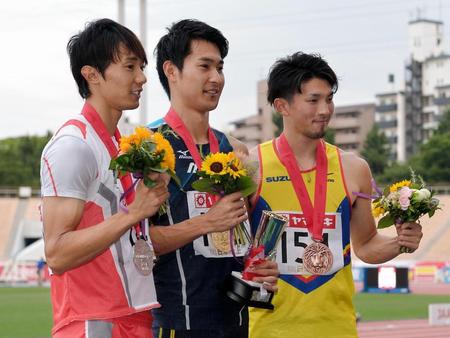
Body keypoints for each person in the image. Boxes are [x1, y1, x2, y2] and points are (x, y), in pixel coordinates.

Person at [248, 52, 423, 338]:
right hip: (267, 328)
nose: (325, 109)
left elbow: (365, 245)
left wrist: (399, 243)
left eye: (329, 99)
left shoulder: (354, 168)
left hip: (337, 328)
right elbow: (230, 249)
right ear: (282, 106)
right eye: (313, 100)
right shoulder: (252, 167)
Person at [147, 19, 279, 338]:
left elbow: (245, 236)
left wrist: (260, 265)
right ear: (172, 70)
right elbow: (136, 243)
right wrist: (207, 222)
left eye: (220, 67)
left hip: (235, 321)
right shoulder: (149, 148)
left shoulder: (235, 150)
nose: (216, 78)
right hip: (178, 322)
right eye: (204, 66)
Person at [40, 18, 170, 338]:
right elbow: (56, 254)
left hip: (132, 315)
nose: (141, 78)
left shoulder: (119, 145)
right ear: (92, 75)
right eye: (129, 67)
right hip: (93, 321)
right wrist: (135, 212)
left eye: (141, 66)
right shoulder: (73, 145)